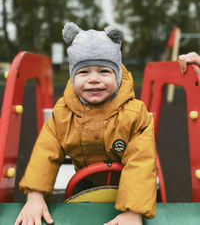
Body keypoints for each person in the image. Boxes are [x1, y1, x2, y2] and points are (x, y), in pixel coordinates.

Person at [15, 23, 157, 225]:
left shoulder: (135, 115)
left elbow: (141, 161)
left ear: (117, 75)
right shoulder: (63, 113)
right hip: (85, 182)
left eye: (104, 71)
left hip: (130, 189)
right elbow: (45, 152)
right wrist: (35, 195)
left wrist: (133, 212)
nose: (94, 80)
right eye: (83, 72)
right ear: (72, 76)